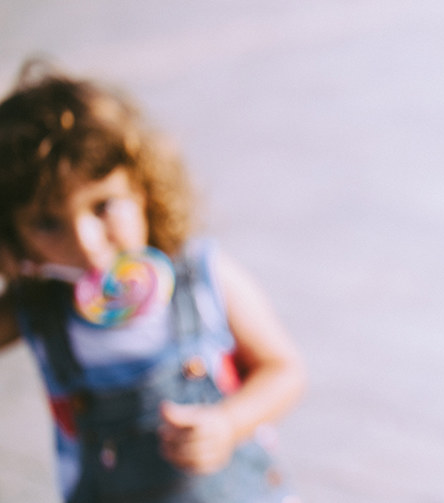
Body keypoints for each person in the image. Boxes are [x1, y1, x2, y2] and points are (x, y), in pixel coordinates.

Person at [0, 60, 305, 502]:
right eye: (47, 223)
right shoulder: (37, 305)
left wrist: (227, 423)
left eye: (103, 206)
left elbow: (284, 371)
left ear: (143, 189)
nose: (86, 244)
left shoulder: (201, 276)